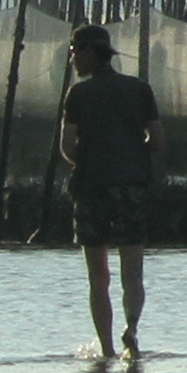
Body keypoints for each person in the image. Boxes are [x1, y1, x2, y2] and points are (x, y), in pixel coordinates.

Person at [56, 21, 159, 354]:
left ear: (87, 52)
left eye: (73, 53)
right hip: (132, 186)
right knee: (133, 270)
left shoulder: (79, 94)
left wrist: (89, 159)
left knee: (98, 277)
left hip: (91, 189)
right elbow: (157, 140)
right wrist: (131, 154)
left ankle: (107, 350)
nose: (72, 61)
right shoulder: (139, 89)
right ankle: (131, 328)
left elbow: (68, 146)